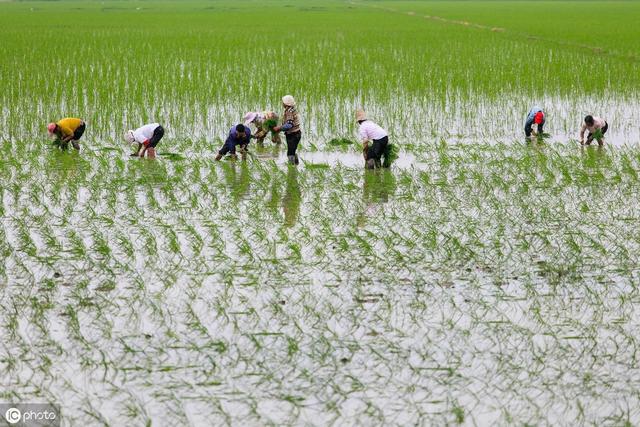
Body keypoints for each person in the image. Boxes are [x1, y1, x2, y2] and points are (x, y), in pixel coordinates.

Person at [272, 95, 301, 165]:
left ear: (286, 104)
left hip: (292, 135)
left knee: (290, 153)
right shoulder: (292, 109)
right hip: (298, 133)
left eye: (283, 102)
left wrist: (279, 128)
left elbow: (289, 125)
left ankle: (291, 170)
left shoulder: (289, 112)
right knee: (292, 151)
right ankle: (296, 165)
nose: (282, 103)